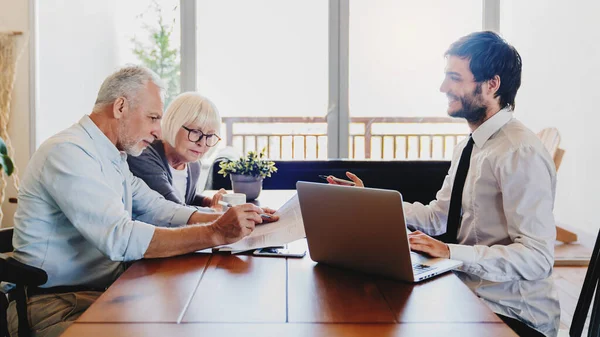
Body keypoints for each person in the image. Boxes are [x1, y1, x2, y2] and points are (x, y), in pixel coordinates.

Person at [7, 65, 278, 337]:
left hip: (103, 291)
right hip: (55, 304)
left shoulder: (114, 157)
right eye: (153, 118)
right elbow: (120, 238)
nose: (159, 131)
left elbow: (157, 207)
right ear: (120, 107)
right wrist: (216, 233)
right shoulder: (69, 152)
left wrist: (233, 218)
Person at [327, 32, 560, 337]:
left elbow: (537, 257)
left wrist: (450, 253)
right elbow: (439, 216)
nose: (443, 88)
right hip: (468, 293)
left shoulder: (519, 151)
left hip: (512, 316)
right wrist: (367, 200)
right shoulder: (471, 146)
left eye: (454, 77)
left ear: (492, 84)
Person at [127, 92, 226, 210]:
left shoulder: (194, 165)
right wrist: (214, 210)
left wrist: (210, 202)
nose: (202, 143)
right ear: (174, 124)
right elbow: (174, 210)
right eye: (195, 132)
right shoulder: (144, 156)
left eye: (210, 136)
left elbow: (187, 199)